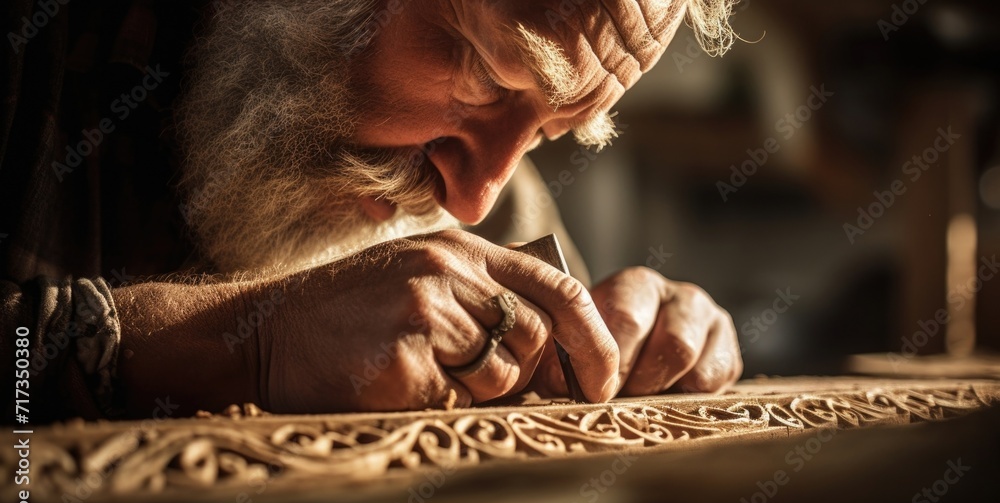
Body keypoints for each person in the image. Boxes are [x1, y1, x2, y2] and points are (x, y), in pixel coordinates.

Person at [1, 0, 742, 422]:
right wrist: (250, 347)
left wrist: (646, 335)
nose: (475, 197)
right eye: (483, 74)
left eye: (549, 131)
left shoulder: (490, 204)